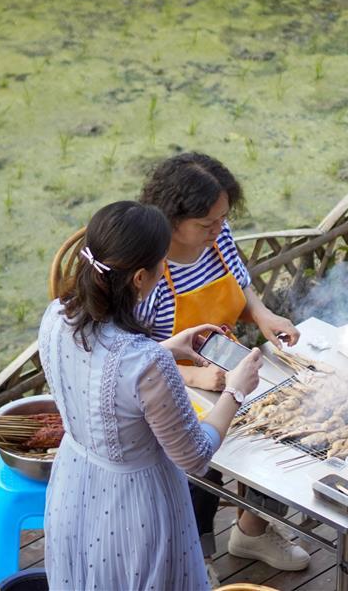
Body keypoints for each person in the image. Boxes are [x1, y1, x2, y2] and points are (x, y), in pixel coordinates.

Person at [39, 201, 263, 591]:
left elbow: (99, 372)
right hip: (136, 506)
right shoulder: (145, 364)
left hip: (74, 485)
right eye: (163, 264)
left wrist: (167, 346)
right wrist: (236, 389)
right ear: (141, 277)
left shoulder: (56, 316)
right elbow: (194, 455)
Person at [138, 152, 311, 572]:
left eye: (222, 219)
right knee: (200, 462)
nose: (218, 231)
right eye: (206, 224)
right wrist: (198, 374)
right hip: (167, 383)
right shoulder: (147, 267)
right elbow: (134, 358)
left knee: (291, 425)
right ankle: (199, 560)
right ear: (171, 218)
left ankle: (251, 531)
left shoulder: (219, 237)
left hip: (226, 361)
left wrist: (264, 315)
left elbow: (242, 286)